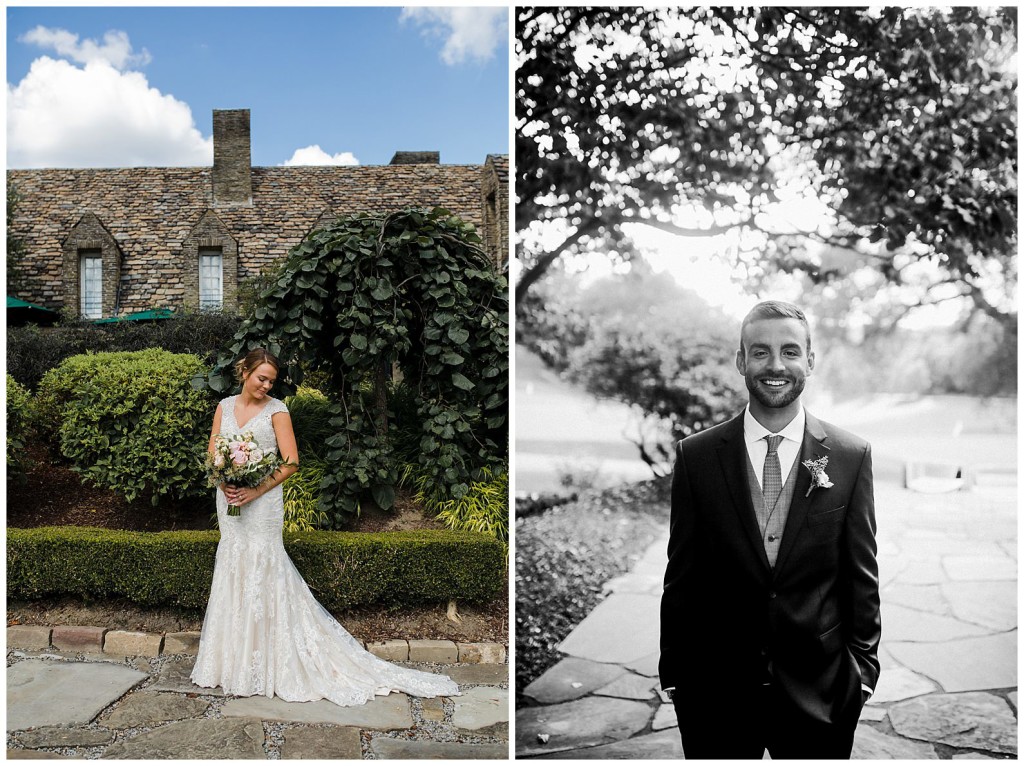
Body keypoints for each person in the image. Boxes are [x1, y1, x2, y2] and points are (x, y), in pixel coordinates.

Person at [659, 300, 880, 759]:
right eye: (760, 352)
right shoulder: (696, 457)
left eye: (790, 352)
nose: (775, 365)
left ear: (810, 361)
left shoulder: (849, 455)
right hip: (715, 694)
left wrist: (861, 675)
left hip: (820, 693)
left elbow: (862, 576)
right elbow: (682, 576)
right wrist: (676, 676)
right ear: (741, 361)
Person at [191, 348, 459, 705]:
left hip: (262, 503)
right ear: (244, 371)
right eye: (261, 378)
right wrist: (223, 480)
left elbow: (290, 463)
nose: (267, 385)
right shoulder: (224, 407)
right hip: (230, 501)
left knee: (263, 565)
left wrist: (254, 490)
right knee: (234, 563)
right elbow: (214, 453)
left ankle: (271, 660)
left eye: (271, 380)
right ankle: (233, 663)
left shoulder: (278, 411)